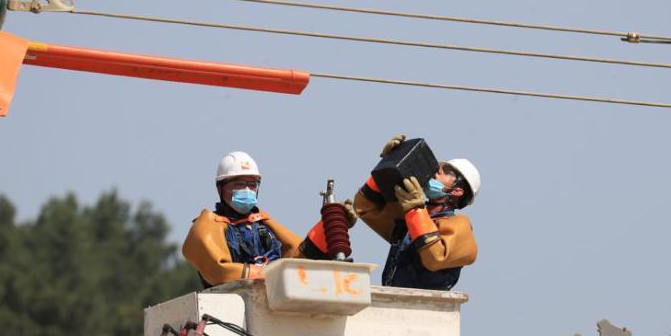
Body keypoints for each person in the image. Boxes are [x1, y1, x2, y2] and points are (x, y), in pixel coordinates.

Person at [183, 151, 348, 288]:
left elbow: (300, 258)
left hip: (274, 300)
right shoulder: (209, 226)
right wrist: (273, 272)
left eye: (252, 184)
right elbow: (220, 271)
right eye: (239, 184)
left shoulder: (263, 224)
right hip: (231, 305)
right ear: (221, 187)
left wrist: (333, 224)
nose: (247, 190)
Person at [353, 135, 480, 291]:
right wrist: (388, 167)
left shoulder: (459, 225)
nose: (437, 170)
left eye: (446, 171)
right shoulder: (412, 218)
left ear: (458, 191)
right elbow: (364, 206)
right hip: (393, 302)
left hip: (425, 310)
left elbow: (435, 257)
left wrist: (415, 209)